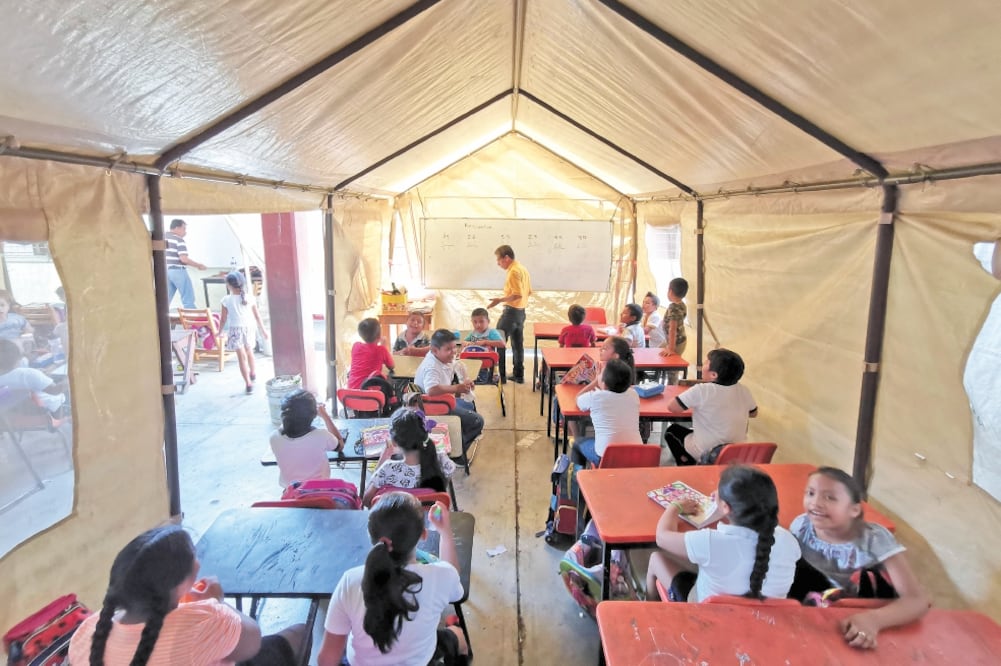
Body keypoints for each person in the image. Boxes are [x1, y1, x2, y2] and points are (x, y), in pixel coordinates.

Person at [68, 524, 305, 666]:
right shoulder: (202, 622)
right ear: (178, 587)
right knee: (300, 632)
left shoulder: (87, 632)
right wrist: (219, 604)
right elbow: (251, 644)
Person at [316, 492, 469, 666]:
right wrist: (445, 532)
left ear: (371, 537)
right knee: (459, 636)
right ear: (423, 535)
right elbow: (453, 575)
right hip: (420, 660)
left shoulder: (350, 580)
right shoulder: (441, 576)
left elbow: (326, 659)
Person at [789, 467, 929, 650]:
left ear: (854, 510)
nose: (815, 503)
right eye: (810, 493)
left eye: (830, 497)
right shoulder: (801, 526)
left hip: (859, 619)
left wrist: (873, 620)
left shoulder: (874, 540)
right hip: (814, 621)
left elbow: (917, 600)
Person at [646, 465, 801, 603]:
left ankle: (649, 612)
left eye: (718, 492)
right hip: (764, 623)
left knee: (655, 559)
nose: (714, 494)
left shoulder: (709, 542)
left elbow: (662, 537)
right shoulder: (789, 541)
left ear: (726, 507)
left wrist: (675, 506)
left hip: (708, 618)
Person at [664, 348, 757, 465]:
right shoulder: (744, 390)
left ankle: (689, 465)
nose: (703, 364)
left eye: (706, 362)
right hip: (736, 452)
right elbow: (753, 413)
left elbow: (673, 408)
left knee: (672, 431)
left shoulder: (701, 390)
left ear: (714, 374)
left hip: (708, 451)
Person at [363, 408, 456, 507]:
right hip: (429, 517)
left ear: (394, 442)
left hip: (394, 518)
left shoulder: (387, 469)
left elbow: (367, 501)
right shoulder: (442, 460)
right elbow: (442, 487)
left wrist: (380, 463)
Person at [415, 329, 484, 460]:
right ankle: (456, 454)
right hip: (433, 406)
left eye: (454, 347)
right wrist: (456, 388)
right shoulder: (432, 366)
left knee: (469, 406)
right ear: (435, 350)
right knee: (477, 421)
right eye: (448, 349)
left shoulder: (440, 358)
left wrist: (465, 382)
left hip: (440, 401)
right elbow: (431, 389)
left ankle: (455, 438)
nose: (453, 352)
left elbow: (455, 367)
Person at [569, 358, 643, 468]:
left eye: (601, 374)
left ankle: (579, 482)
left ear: (603, 383)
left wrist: (594, 382)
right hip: (637, 456)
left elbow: (578, 399)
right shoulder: (634, 394)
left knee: (577, 444)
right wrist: (600, 381)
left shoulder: (596, 397)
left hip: (607, 458)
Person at [269, 389, 345, 488]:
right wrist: (325, 416)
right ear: (313, 415)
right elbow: (340, 445)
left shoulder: (274, 437)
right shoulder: (321, 436)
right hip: (320, 491)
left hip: (292, 493)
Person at [218, 272, 268, 394]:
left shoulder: (226, 300)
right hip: (249, 328)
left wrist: (220, 331)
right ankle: (253, 372)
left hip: (235, 329)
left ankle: (248, 383)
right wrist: (263, 330)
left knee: (241, 358)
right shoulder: (250, 298)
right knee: (249, 351)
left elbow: (223, 319)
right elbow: (257, 316)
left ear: (228, 285)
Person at [488, 245, 531, 383]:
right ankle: (519, 375)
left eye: (499, 259)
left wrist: (499, 300)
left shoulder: (513, 271)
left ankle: (501, 377)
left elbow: (517, 294)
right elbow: (528, 292)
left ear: (506, 258)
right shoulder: (523, 269)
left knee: (498, 342)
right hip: (521, 313)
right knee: (518, 345)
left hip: (511, 313)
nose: (498, 263)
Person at [0, 339, 66, 423]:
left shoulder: (28, 374)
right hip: (49, 413)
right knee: (68, 393)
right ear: (17, 358)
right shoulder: (29, 374)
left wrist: (39, 376)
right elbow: (55, 390)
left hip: (11, 417)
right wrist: (70, 379)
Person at [349, 317, 396, 411]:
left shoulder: (356, 346)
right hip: (371, 395)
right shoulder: (381, 350)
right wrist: (384, 346)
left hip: (351, 394)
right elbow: (391, 366)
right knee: (390, 381)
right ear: (379, 336)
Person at [165, 219, 207, 310]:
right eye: (184, 229)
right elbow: (183, 259)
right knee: (188, 299)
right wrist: (198, 265)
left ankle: (159, 322)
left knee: (165, 299)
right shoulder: (179, 239)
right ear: (177, 228)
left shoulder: (162, 237)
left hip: (165, 271)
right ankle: (193, 322)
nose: (185, 232)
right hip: (178, 271)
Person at [463, 307, 505, 383]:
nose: (478, 325)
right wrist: (467, 343)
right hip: (473, 361)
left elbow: (502, 344)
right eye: (475, 322)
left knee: (482, 381)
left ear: (488, 321)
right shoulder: (474, 332)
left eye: (481, 322)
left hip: (486, 363)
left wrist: (486, 342)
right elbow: (464, 342)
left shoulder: (491, 332)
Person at [660, 277, 688, 384]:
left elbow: (673, 329)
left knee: (672, 368)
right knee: (658, 352)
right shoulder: (682, 305)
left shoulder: (674, 307)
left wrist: (671, 348)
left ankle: (672, 387)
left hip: (676, 342)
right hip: (675, 340)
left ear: (670, 291)